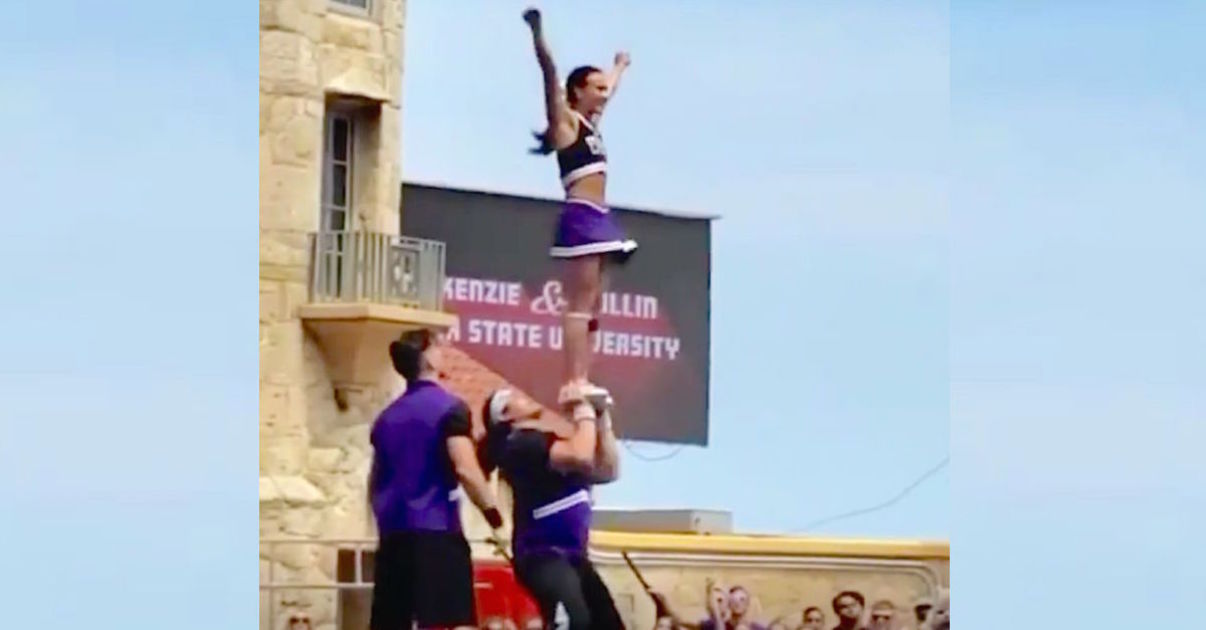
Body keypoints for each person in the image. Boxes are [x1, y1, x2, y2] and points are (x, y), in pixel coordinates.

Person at [522, 7, 637, 416]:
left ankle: (585, 376)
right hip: (580, 217)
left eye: (606, 89)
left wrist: (618, 67)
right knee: (579, 303)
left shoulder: (592, 125)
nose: (605, 94)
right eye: (598, 88)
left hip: (600, 218)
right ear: (578, 92)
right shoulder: (566, 124)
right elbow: (549, 74)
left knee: (595, 307)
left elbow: (612, 92)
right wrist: (538, 34)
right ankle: (573, 379)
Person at [368, 329, 506, 630]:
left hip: (392, 535)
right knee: (453, 623)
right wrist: (493, 514)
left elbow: (374, 481)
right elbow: (466, 469)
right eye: (438, 347)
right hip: (436, 532)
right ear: (428, 358)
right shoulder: (449, 409)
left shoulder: (385, 418)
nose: (443, 351)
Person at [481, 385, 623, 630]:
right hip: (543, 554)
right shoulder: (520, 444)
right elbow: (582, 456)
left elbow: (608, 470)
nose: (524, 394)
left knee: (606, 624)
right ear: (506, 416)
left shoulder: (550, 444)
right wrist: (583, 410)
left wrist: (602, 419)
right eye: (514, 397)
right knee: (571, 621)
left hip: (573, 555)